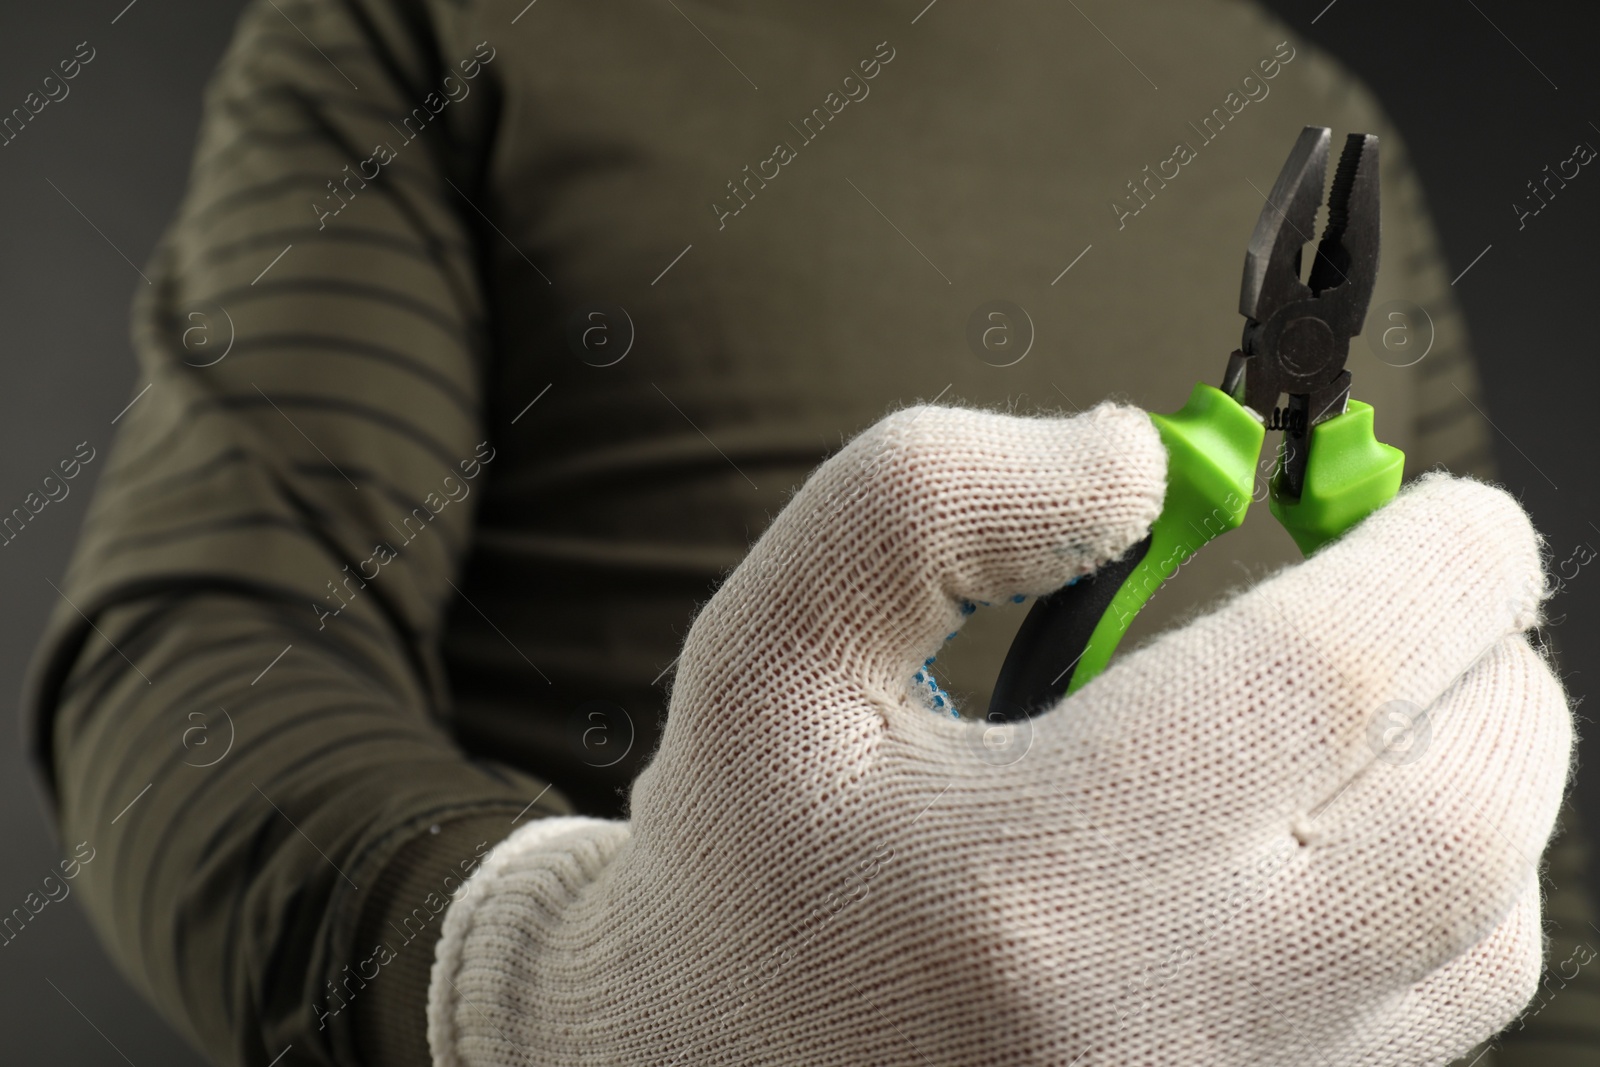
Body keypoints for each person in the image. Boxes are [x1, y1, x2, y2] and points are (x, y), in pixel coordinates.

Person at [21, 0, 1588, 1063]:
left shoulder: (1304, 102)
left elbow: (1515, 834)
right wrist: (556, 990)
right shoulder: (423, 28)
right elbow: (194, 660)